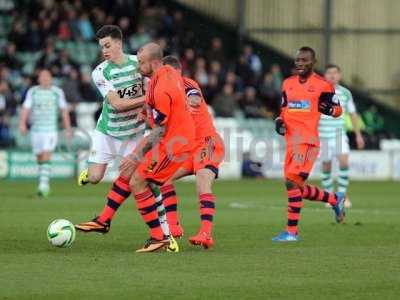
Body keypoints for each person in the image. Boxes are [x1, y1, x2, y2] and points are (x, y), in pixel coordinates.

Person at [272, 47, 346, 242]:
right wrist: (280, 120)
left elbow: (338, 110)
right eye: (297, 60)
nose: (300, 63)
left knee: (292, 182)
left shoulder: (323, 85)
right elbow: (285, 108)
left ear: (313, 63)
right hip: (291, 142)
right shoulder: (287, 83)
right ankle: (333, 199)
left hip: (308, 142)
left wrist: (328, 108)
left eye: (304, 60)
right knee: (296, 186)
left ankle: (291, 232)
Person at [160, 55, 225, 249]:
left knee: (202, 182)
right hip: (188, 147)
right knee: (163, 179)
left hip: (207, 144)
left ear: (175, 72)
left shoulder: (187, 84)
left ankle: (206, 234)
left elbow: (194, 98)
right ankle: (173, 225)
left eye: (165, 73)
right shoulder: (167, 92)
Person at [77, 25, 146, 186]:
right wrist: (147, 98)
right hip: (108, 131)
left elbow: (153, 88)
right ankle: (88, 174)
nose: (104, 51)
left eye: (107, 46)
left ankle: (161, 211)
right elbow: (118, 104)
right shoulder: (99, 72)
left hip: (133, 133)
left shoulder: (139, 63)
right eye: (102, 47)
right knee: (95, 178)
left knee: (140, 179)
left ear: (119, 44)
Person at [19, 69, 72, 197]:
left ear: (51, 78)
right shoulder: (33, 91)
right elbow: (26, 108)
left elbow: (64, 111)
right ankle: (43, 180)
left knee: (46, 155)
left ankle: (44, 187)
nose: (45, 78)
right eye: (42, 76)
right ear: (39, 79)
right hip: (36, 130)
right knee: (39, 157)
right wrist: (22, 123)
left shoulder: (57, 92)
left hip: (50, 130)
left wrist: (68, 128)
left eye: (47, 76)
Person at [320, 64, 365, 208]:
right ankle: (329, 197)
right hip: (322, 136)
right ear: (324, 76)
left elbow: (353, 114)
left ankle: (341, 196)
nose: (332, 75)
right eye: (329, 73)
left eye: (335, 73)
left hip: (339, 135)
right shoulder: (318, 92)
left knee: (344, 162)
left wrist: (358, 135)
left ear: (339, 76)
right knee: (326, 166)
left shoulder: (346, 93)